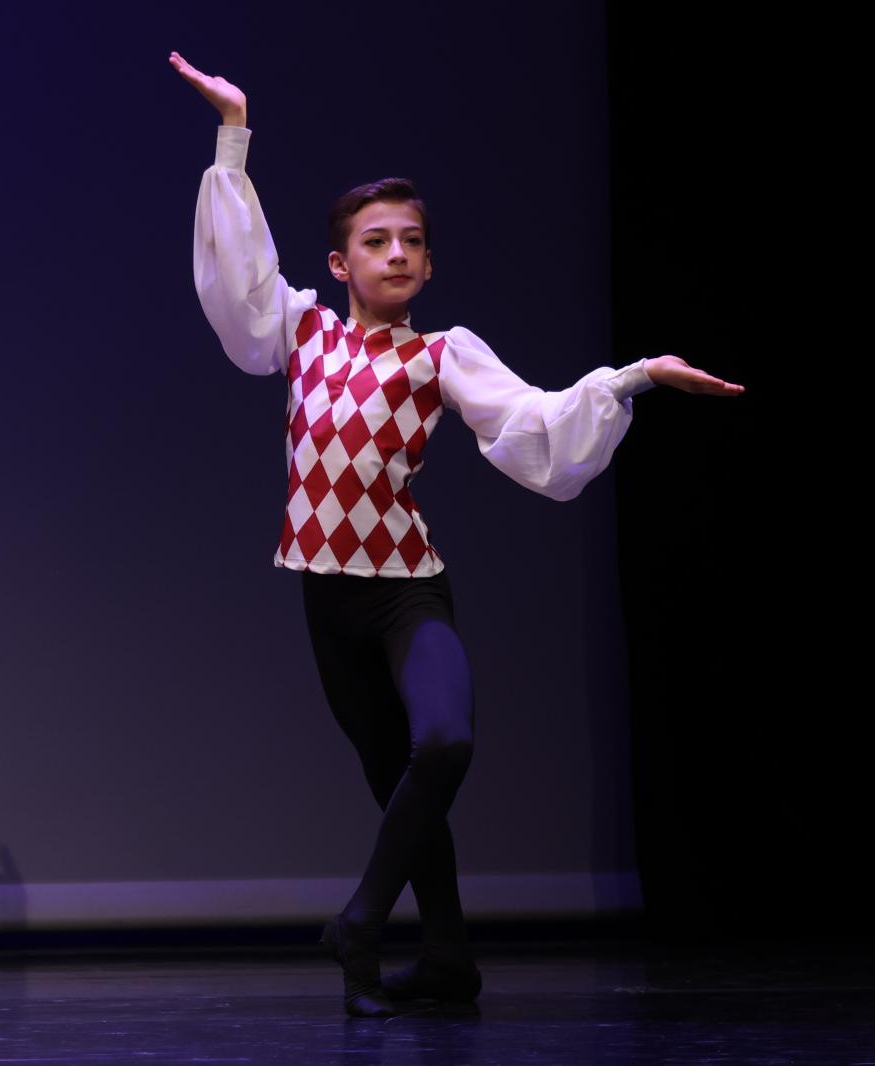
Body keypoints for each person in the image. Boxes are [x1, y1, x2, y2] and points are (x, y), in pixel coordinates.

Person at [170, 50, 743, 1017]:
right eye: (376, 241)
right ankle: (448, 960)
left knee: (441, 742)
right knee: (396, 779)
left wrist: (637, 375)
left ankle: (359, 922)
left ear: (430, 264)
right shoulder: (301, 333)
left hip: (406, 588)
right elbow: (239, 280)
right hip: (326, 597)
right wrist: (234, 132)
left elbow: (536, 420)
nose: (397, 253)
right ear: (340, 264)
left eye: (413, 241)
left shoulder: (444, 356)